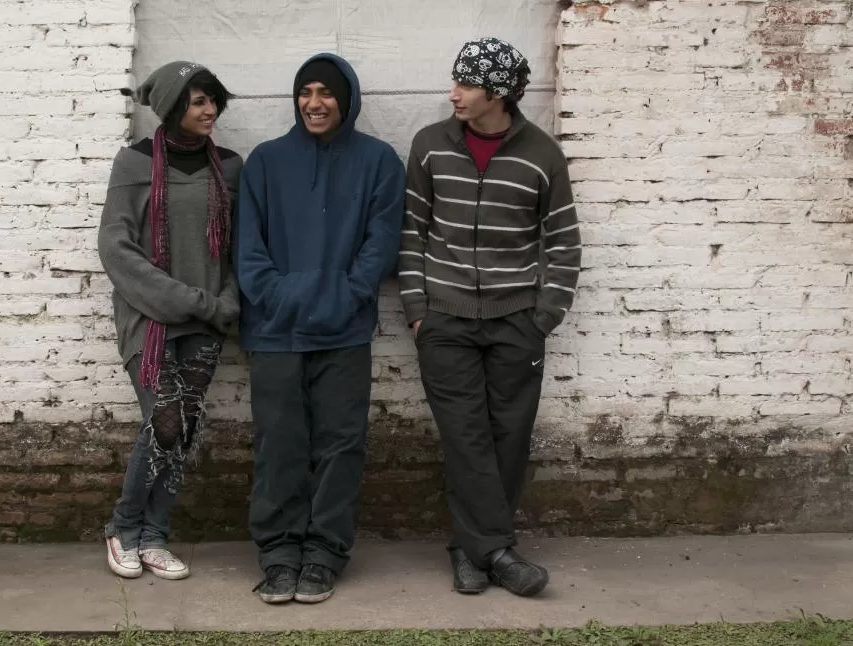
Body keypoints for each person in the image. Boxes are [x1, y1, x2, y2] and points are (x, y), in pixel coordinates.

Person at [398, 37, 582, 597]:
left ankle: (471, 552)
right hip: (445, 322)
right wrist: (418, 311)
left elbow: (565, 242)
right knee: (465, 436)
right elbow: (412, 232)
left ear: (497, 92)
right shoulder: (429, 146)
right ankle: (499, 553)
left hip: (517, 320)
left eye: (467, 84)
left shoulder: (542, 154)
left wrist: (543, 315)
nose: (453, 93)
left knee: (510, 435)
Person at [235, 53, 405, 604]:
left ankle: (325, 554)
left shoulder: (379, 163)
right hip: (275, 332)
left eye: (326, 92)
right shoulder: (264, 162)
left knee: (340, 446)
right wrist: (283, 297)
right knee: (279, 446)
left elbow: (380, 246)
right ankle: (280, 555)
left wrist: (344, 296)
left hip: (345, 331)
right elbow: (249, 253)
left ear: (347, 99)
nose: (315, 102)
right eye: (305, 91)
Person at [97, 61, 242, 580]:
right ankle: (123, 527)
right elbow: (116, 248)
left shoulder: (230, 166)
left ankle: (156, 536)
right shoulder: (133, 164)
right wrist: (189, 298)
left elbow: (234, 250)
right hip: (148, 319)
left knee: (185, 429)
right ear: (171, 107)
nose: (209, 110)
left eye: (212, 100)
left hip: (205, 321)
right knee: (165, 419)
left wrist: (225, 301)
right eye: (197, 101)